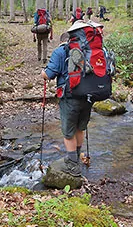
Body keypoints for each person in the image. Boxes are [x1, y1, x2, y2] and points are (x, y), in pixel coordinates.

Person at [41, 25, 93, 177]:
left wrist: (42, 73)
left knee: (68, 132)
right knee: (80, 128)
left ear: (63, 41)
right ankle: (76, 157)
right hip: (88, 96)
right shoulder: (87, 51)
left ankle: (72, 166)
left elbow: (49, 74)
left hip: (69, 97)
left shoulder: (60, 51)